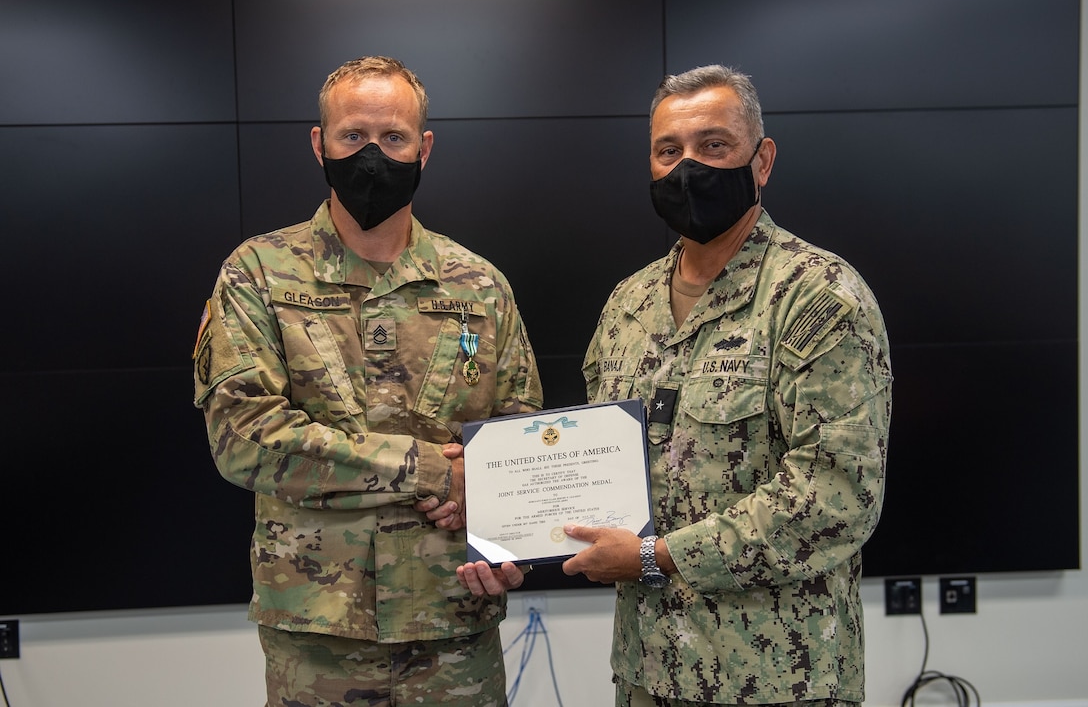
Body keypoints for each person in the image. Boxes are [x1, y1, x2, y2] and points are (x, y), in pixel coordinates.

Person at [459, 64, 892, 706]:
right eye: (669, 151)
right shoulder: (628, 305)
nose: (689, 167)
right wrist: (517, 541)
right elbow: (591, 470)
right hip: (647, 673)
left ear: (762, 160)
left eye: (714, 146)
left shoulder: (818, 299)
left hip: (778, 678)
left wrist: (657, 557)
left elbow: (837, 495)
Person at [192, 55, 542, 706]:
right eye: (353, 136)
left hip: (454, 632)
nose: (373, 156)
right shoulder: (258, 275)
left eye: (394, 138)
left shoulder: (481, 285)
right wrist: (431, 471)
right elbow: (244, 438)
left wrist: (508, 537)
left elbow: (518, 439)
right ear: (319, 144)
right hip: (320, 642)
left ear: (424, 148)